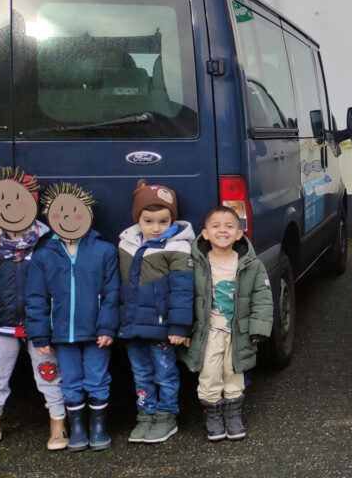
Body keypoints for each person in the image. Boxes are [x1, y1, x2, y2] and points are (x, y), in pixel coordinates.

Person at [0, 168, 66, 453]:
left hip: (38, 326)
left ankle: (58, 422)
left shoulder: (46, 245)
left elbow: (57, 289)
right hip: (3, 325)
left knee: (49, 373)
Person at [26, 183, 119, 452]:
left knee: (97, 378)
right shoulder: (44, 254)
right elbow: (36, 297)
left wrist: (108, 327)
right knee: (70, 380)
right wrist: (40, 334)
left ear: (88, 215)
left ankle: (98, 426)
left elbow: (112, 293)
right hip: (62, 333)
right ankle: (77, 426)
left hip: (96, 333)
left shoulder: (104, 250)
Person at [181, 206, 273, 441]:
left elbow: (262, 299)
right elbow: (184, 298)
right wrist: (183, 328)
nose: (222, 230)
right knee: (209, 374)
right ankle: (213, 416)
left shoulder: (251, 265)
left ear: (239, 234)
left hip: (237, 333)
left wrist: (258, 329)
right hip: (207, 332)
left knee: (234, 373)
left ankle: (233, 415)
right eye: (216, 226)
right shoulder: (195, 265)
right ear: (205, 233)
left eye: (229, 226)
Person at [117, 180, 194, 444]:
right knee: (140, 373)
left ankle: (166, 416)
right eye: (148, 221)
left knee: (165, 372)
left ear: (173, 219)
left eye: (163, 221)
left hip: (161, 326)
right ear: (138, 219)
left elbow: (182, 291)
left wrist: (179, 327)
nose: (156, 228)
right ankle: (145, 414)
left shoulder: (178, 248)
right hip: (132, 326)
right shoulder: (126, 244)